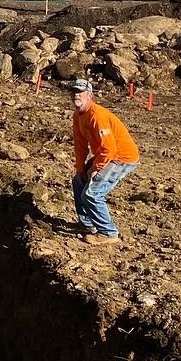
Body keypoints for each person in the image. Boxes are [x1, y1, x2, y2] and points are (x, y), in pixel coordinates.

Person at [69, 78, 139, 245]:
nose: (76, 95)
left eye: (80, 92)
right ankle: (88, 224)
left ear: (89, 95)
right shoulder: (78, 116)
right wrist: (80, 169)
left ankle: (108, 232)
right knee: (79, 181)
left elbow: (110, 149)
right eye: (74, 92)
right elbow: (80, 146)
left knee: (92, 193)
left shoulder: (97, 116)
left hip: (121, 157)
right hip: (106, 154)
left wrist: (96, 168)